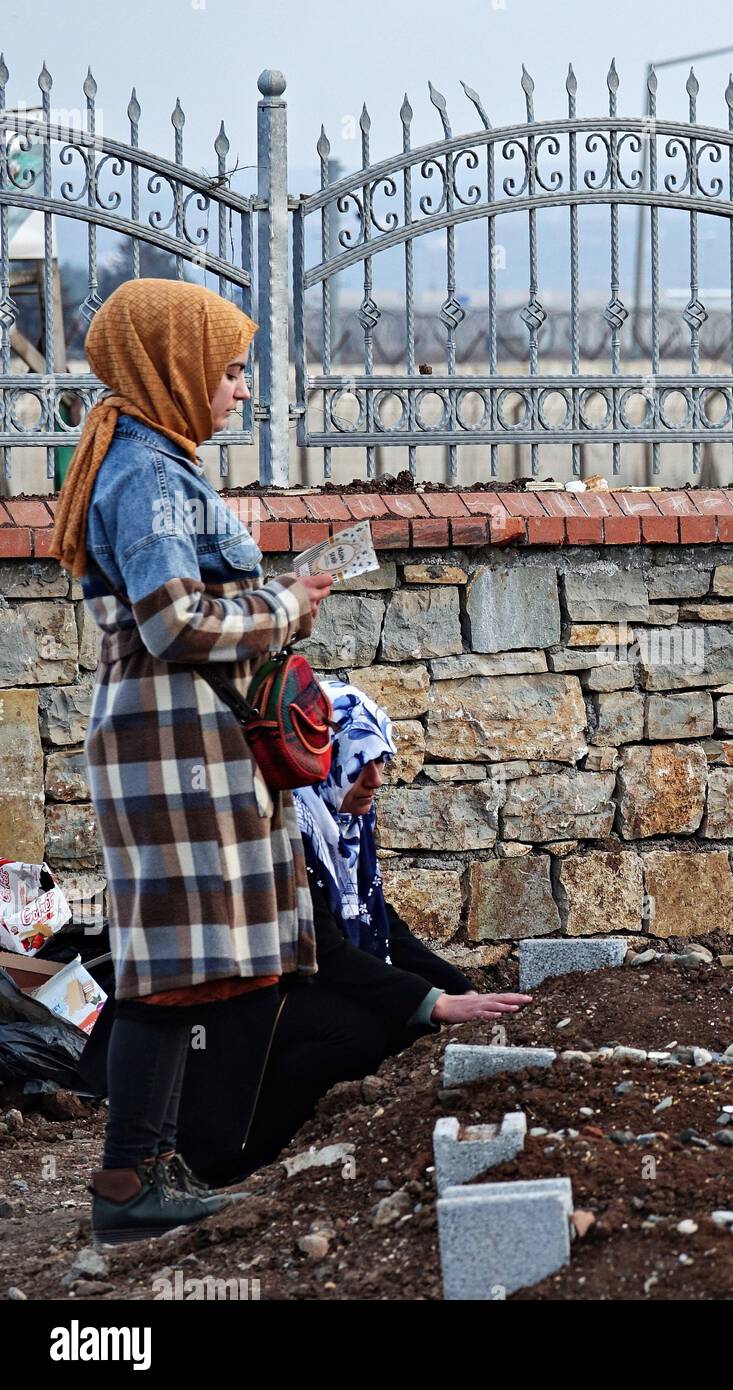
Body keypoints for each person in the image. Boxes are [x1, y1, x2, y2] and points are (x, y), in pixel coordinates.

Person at [50, 278, 335, 1245]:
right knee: (166, 968)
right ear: (172, 366)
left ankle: (151, 1164)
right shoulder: (148, 477)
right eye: (230, 369)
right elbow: (174, 621)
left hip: (180, 746)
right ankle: (129, 1183)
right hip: (170, 748)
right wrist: (288, 606)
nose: (242, 390)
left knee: (182, 962)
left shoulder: (152, 463)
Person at [91, 681, 533, 1187]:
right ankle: (235, 1158)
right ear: (323, 760)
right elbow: (325, 946)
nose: (375, 778)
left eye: (382, 760)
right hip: (234, 1006)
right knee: (367, 1031)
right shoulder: (284, 826)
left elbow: (378, 921)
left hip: (282, 988)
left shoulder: (339, 823)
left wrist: (462, 992)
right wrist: (434, 1003)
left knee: (399, 1020)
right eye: (359, 760)